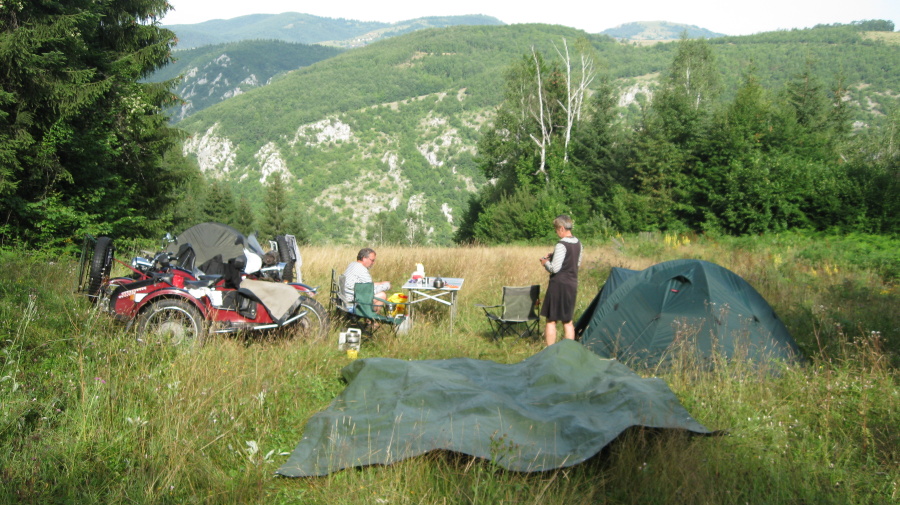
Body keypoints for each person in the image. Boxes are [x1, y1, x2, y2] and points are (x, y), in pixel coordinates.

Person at [539, 215, 583, 346]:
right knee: (567, 320)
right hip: (572, 284)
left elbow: (554, 269)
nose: (556, 231)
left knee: (551, 320)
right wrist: (554, 256)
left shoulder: (561, 244)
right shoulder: (579, 243)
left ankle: (550, 352)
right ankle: (568, 351)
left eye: (556, 229)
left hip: (558, 285)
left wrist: (545, 262)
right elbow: (576, 263)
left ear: (562, 228)